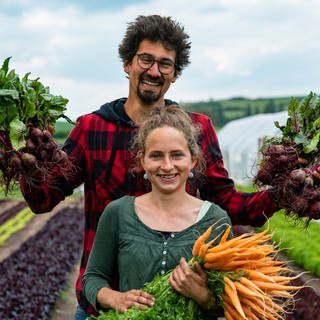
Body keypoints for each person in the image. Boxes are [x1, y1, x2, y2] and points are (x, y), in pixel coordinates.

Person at [19, 15, 279, 319]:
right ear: (127, 64)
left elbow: (226, 204)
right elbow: (43, 199)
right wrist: (27, 161)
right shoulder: (91, 129)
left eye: (165, 64)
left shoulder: (196, 129)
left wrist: (284, 194)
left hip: (182, 304)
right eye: (145, 59)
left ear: (174, 73)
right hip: (104, 303)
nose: (154, 71)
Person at [82, 104, 232, 319]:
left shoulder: (216, 221)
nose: (167, 165)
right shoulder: (118, 212)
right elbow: (92, 277)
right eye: (156, 156)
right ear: (142, 161)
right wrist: (114, 298)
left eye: (177, 155)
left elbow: (230, 302)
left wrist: (203, 296)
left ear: (193, 161)